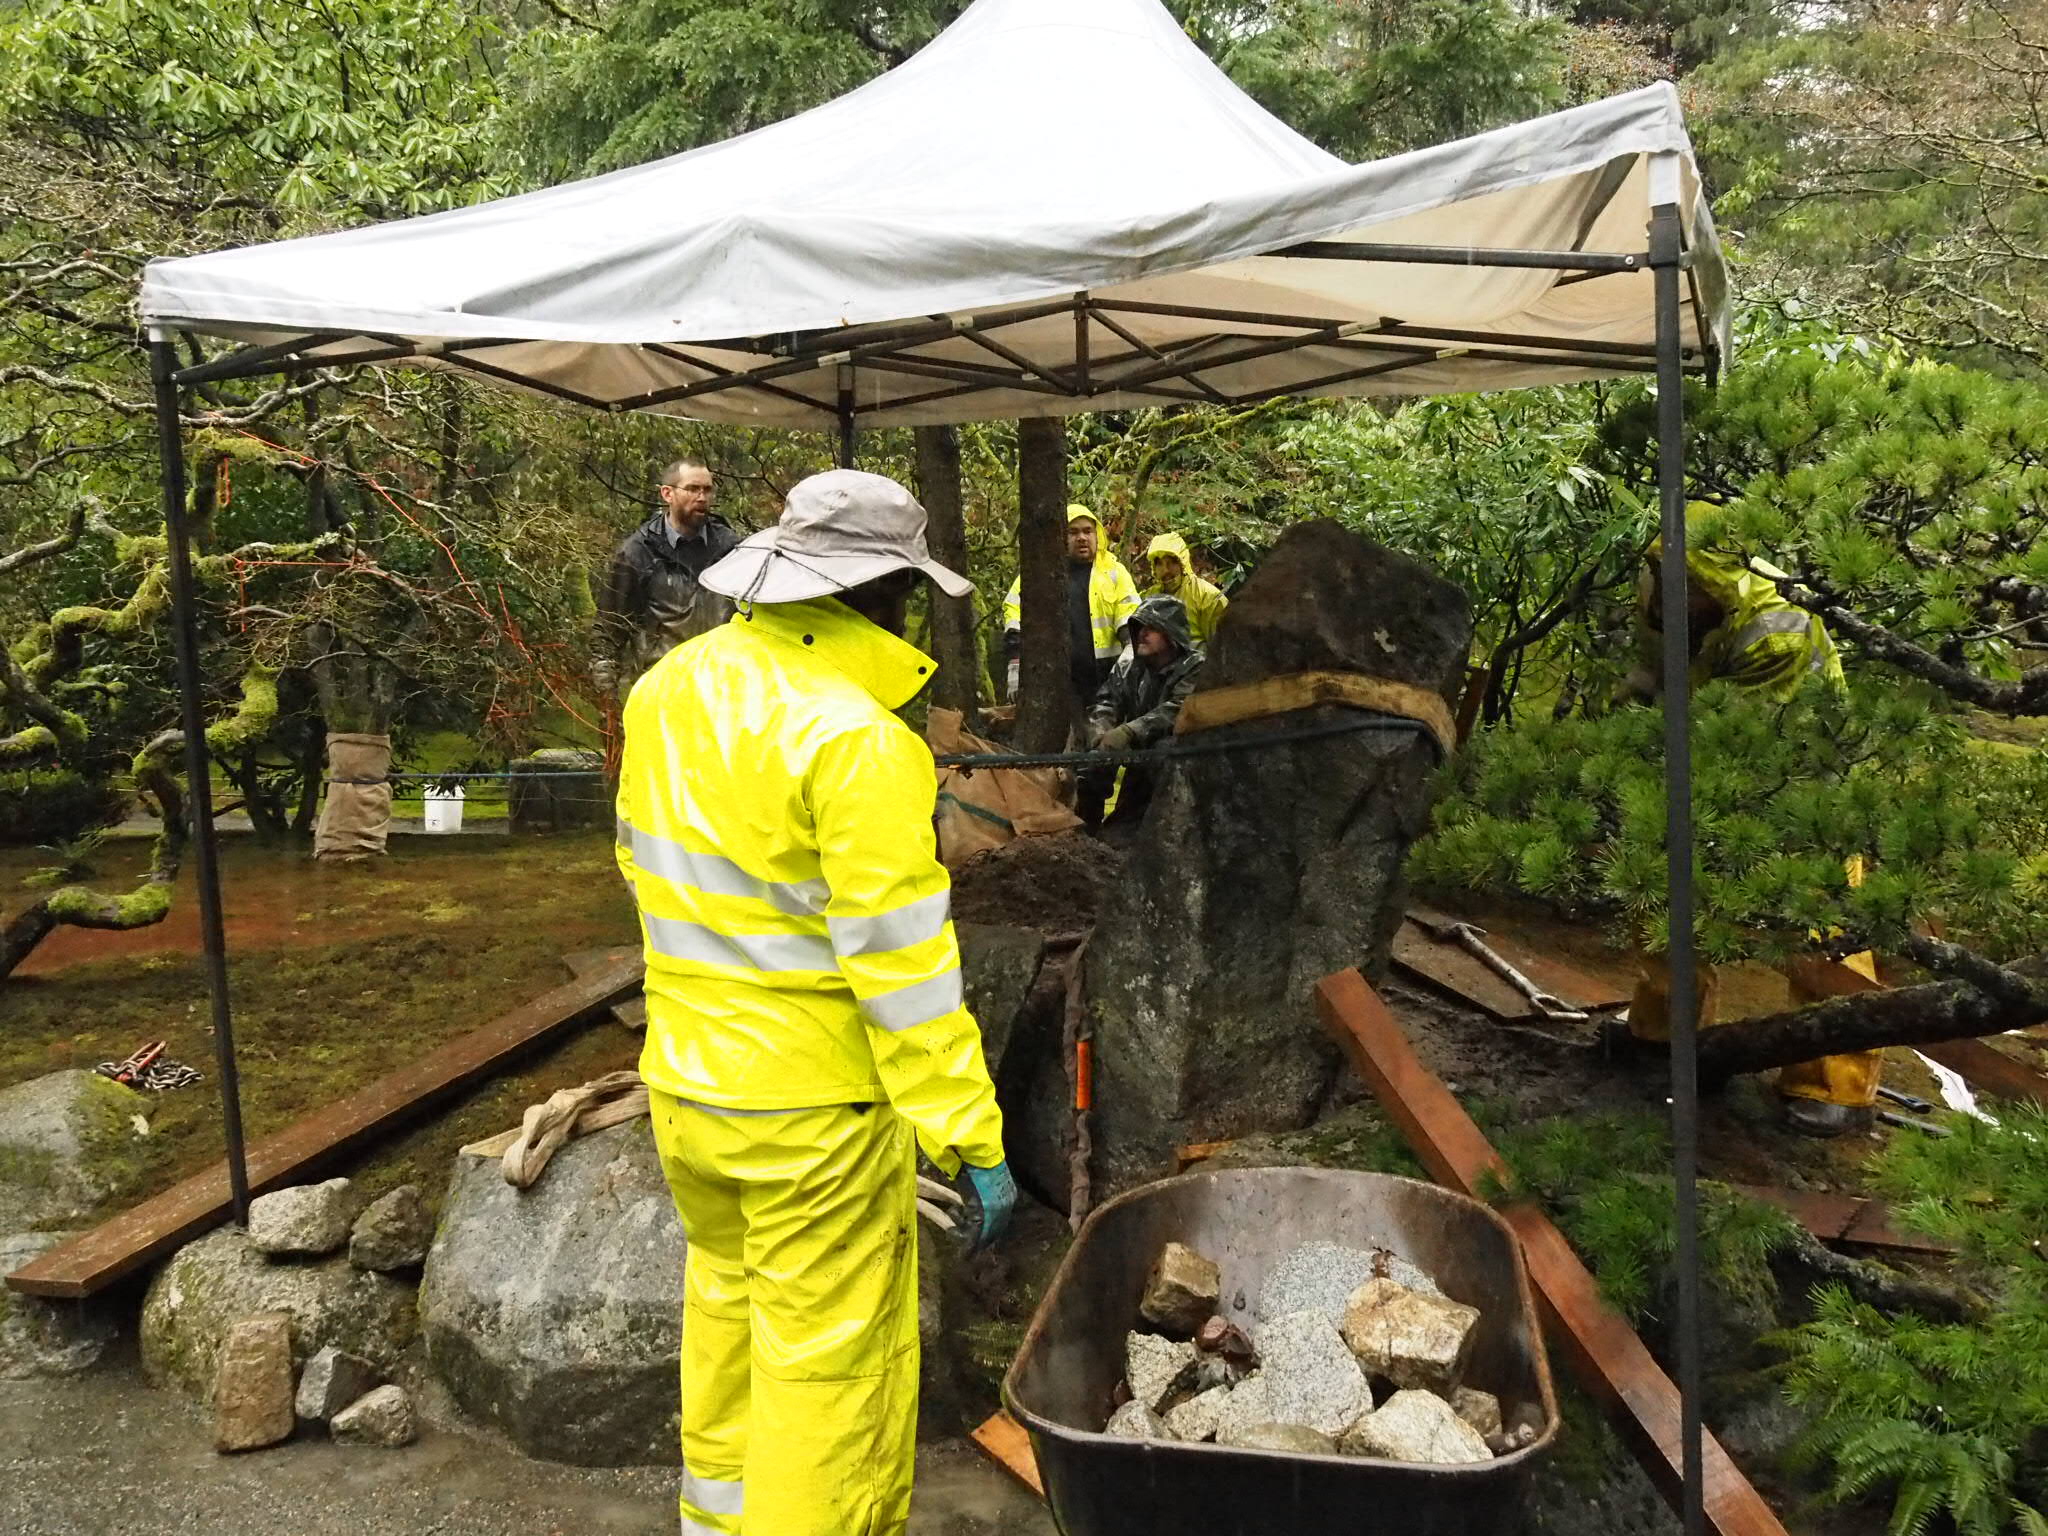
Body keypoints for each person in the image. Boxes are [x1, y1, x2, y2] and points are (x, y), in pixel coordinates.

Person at [614, 469, 1016, 1536]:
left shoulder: (664, 690)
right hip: (810, 1119)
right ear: (887, 590)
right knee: (826, 1374)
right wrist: (969, 1133)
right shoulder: (860, 741)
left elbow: (645, 873)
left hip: (686, 1093)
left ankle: (716, 1522)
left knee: (730, 1313)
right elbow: (904, 971)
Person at [1623, 518, 1881, 1137]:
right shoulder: (1666, 603)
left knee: (1823, 928)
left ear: (1714, 578)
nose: (1667, 597)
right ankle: (1665, 1040)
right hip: (1705, 780)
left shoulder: (1780, 629)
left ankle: (1836, 1084)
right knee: (1665, 903)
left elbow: (1742, 743)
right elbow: (1647, 685)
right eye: (1662, 582)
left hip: (1802, 787)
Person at [593, 457, 741, 693]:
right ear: (667, 494)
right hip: (661, 687)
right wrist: (606, 697)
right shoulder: (638, 552)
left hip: (719, 685)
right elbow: (610, 627)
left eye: (707, 490)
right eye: (692, 489)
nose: (702, 498)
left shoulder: (730, 548)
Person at [1077, 594, 1204, 830]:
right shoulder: (1129, 668)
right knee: (1092, 762)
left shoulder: (1195, 667)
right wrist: (1101, 731)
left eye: (1152, 628)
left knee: (1164, 751)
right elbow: (1107, 702)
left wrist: (1129, 731)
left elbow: (1179, 708)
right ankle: (1085, 832)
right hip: (1137, 767)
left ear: (1171, 633)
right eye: (1139, 627)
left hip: (1176, 766)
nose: (1142, 633)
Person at [1000, 504, 1139, 705]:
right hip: (1056, 681)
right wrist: (1015, 664)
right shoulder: (1041, 572)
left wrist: (1130, 652)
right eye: (1072, 532)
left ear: (1097, 535)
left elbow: (1131, 614)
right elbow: (1014, 613)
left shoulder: (1115, 572)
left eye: (1087, 531)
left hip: (1108, 676)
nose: (1081, 537)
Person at [1139, 530, 1228, 648]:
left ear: (1182, 563)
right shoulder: (1148, 598)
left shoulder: (1208, 597)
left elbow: (1222, 646)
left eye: (1171, 563)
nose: (1165, 570)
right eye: (1159, 564)